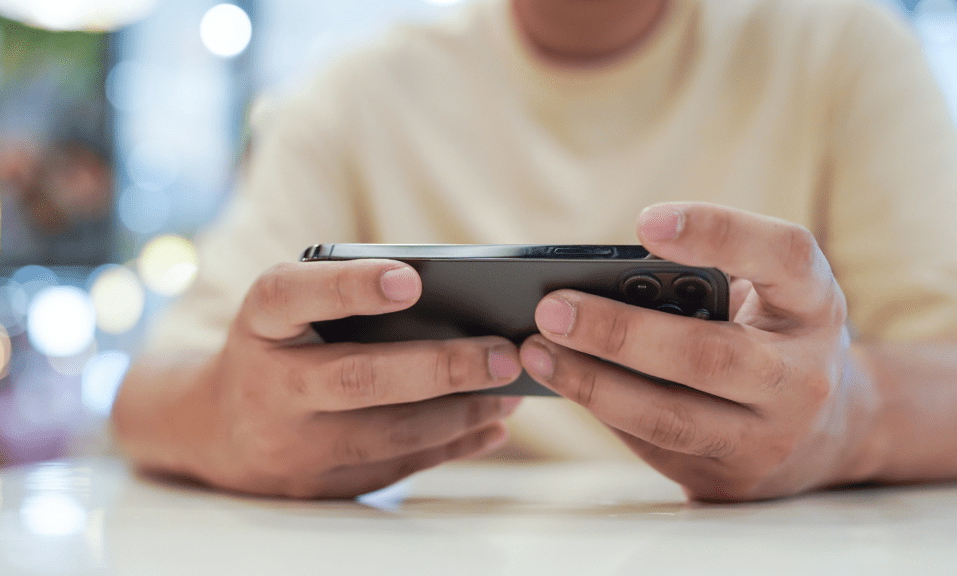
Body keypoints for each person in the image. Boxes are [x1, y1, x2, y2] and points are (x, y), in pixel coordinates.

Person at [112, 0, 957, 501]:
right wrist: (234, 416)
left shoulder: (846, 50)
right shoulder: (351, 98)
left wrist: (851, 420)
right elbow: (146, 398)